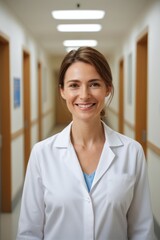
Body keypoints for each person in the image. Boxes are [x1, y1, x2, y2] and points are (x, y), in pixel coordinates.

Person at [17, 47, 156, 240]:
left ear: (108, 88)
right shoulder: (42, 154)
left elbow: (142, 230)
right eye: (74, 85)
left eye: (94, 84)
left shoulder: (132, 152)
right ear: (62, 91)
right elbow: (29, 233)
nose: (84, 95)